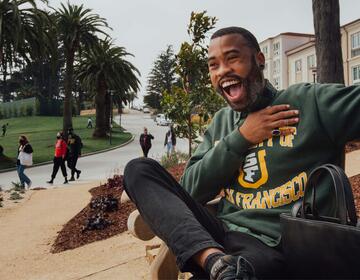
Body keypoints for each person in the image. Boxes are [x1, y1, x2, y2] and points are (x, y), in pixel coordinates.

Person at [123, 26, 360, 280]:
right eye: (213, 65)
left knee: (237, 273)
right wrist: (242, 137)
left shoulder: (308, 101)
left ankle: (221, 267)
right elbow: (191, 189)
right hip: (222, 235)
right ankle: (213, 260)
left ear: (259, 60)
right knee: (138, 169)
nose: (223, 70)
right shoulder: (222, 122)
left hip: (277, 246)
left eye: (232, 58)